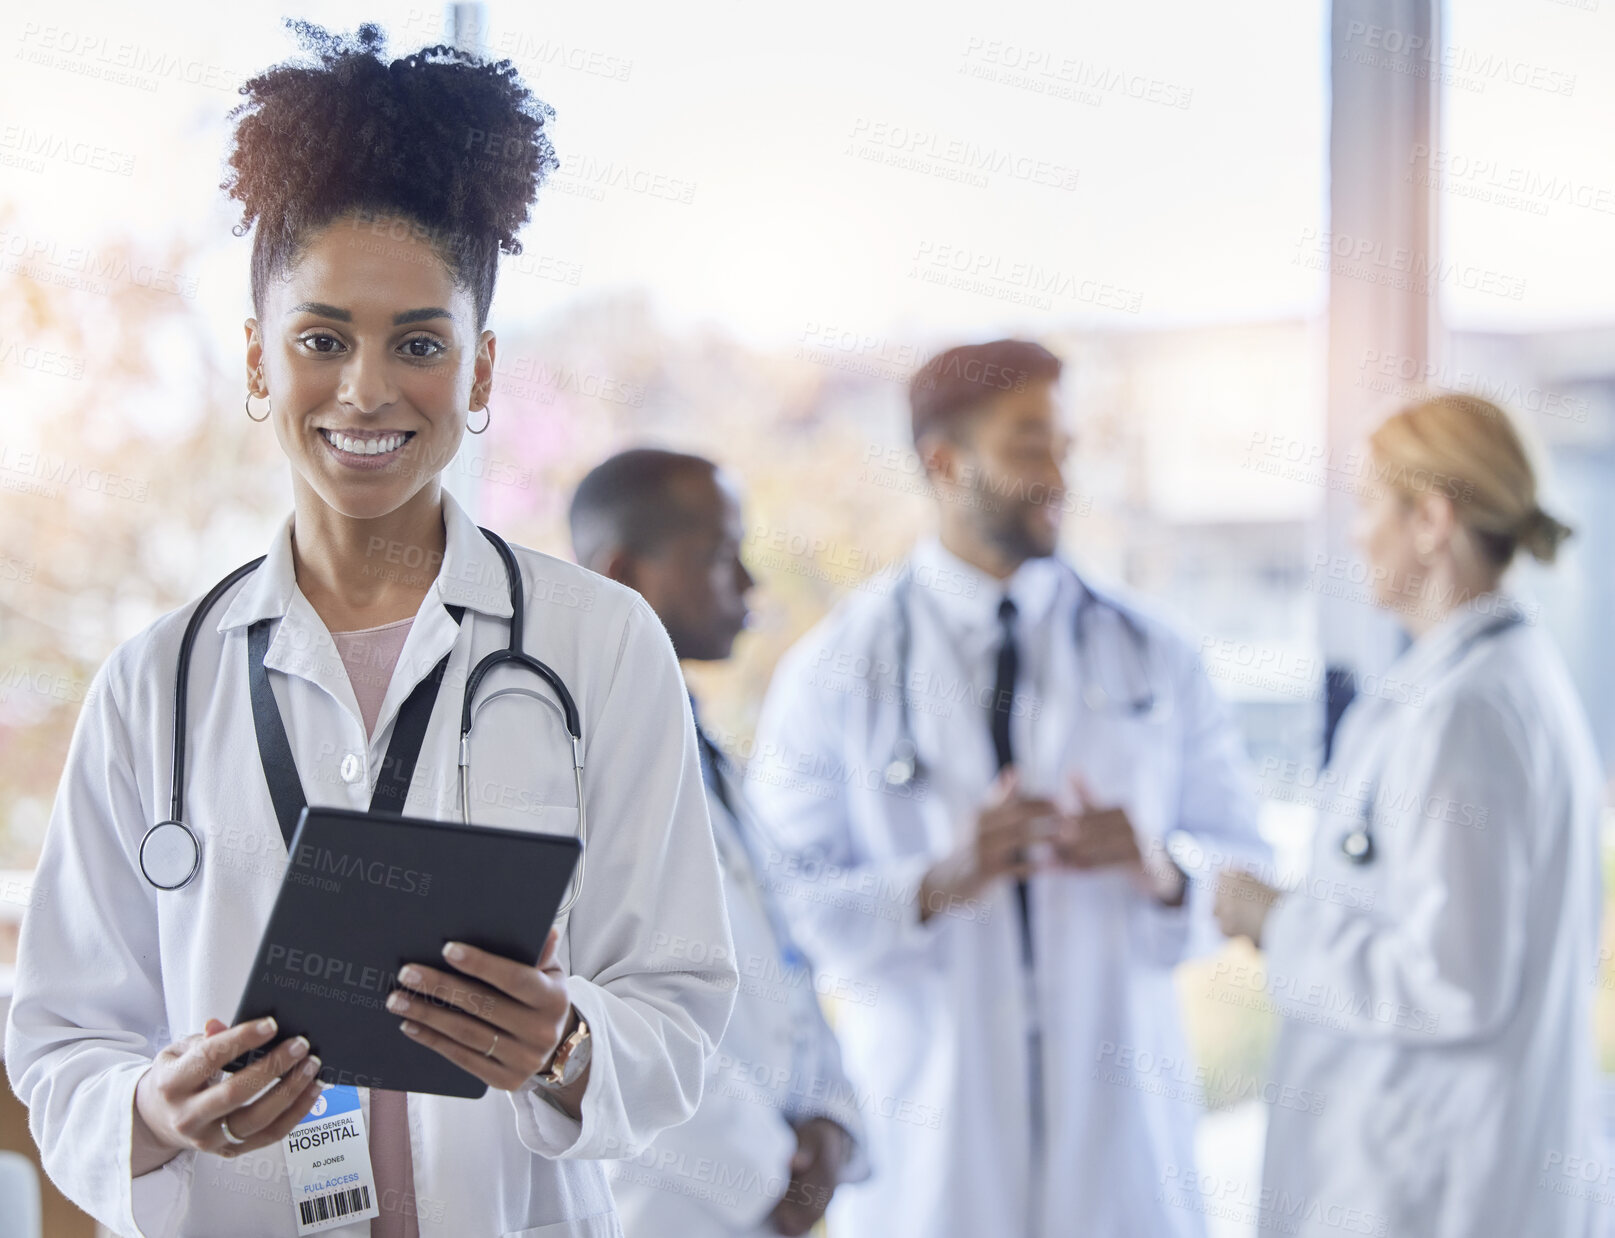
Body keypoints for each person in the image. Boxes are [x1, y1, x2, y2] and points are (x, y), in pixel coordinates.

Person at [4, 24, 736, 1238]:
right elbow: (60, 1039)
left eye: (419, 344)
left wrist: (563, 1044)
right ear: (257, 358)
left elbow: (681, 1006)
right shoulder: (154, 684)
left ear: (482, 371)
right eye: (321, 338)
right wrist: (153, 1107)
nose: (364, 390)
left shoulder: (598, 648)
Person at [747, 339, 1269, 1238]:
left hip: (1122, 1155)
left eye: (1065, 445)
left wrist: (1164, 869)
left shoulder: (1154, 653)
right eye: (1031, 445)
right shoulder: (837, 669)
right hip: (933, 1162)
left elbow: (1246, 867)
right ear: (944, 463)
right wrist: (933, 882)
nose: (1062, 472)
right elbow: (772, 915)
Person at [1215, 393, 1602, 1237]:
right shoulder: (1475, 687)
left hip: (1439, 1193)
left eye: (1365, 506)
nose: (1353, 535)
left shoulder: (1465, 714)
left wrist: (1273, 920)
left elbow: (1453, 981)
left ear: (1429, 519)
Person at [569, 449, 869, 1237]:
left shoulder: (702, 744)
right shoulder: (570, 762)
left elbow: (778, 955)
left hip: (774, 1188)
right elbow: (597, 1017)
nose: (748, 585)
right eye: (719, 557)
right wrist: (765, 1169)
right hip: (671, 1202)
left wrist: (830, 1118)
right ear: (626, 574)